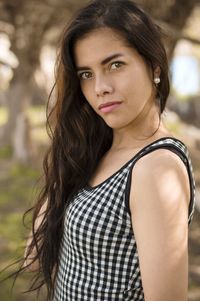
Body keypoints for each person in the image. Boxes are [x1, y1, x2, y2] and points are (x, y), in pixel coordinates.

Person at [21, 0, 196, 300]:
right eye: (86, 74)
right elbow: (33, 259)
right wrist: (69, 157)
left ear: (154, 66)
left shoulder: (156, 168)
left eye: (115, 65)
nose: (99, 87)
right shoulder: (97, 153)